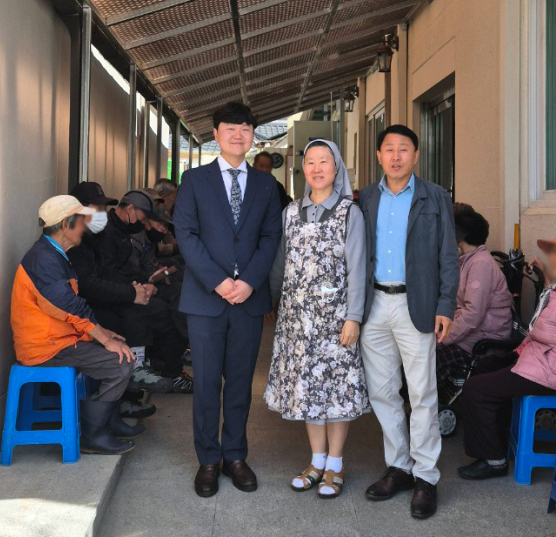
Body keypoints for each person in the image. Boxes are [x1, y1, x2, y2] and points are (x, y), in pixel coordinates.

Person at [174, 102, 282, 498]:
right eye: (230, 129)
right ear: (216, 134)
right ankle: (207, 458)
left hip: (249, 301)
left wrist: (250, 282)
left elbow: (271, 238)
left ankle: (235, 455)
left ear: (253, 136)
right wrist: (220, 281)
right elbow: (186, 234)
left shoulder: (267, 185)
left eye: (246, 129)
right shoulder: (194, 179)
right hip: (206, 300)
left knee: (239, 382)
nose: (239, 135)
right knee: (205, 382)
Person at [358, 125, 459, 519]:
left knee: (422, 395)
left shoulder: (434, 196)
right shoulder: (365, 197)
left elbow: (448, 255)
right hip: (375, 303)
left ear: (416, 156)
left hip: (417, 304)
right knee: (382, 392)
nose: (396, 156)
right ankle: (399, 467)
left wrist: (446, 305)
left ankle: (426, 477)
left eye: (404, 149)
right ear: (379, 156)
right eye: (389, 149)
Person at [458, 224, 556, 480]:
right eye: (555, 251)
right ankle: (499, 441)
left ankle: (494, 460)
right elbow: (548, 327)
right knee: (485, 366)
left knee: (477, 389)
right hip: (544, 360)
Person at [265, 139, 369, 499]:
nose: (317, 168)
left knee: (336, 391)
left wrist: (353, 317)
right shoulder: (290, 211)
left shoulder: (349, 212)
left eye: (325, 161)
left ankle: (336, 465)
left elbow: (357, 268)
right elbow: (281, 262)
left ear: (337, 167)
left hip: (336, 319)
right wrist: (272, 300)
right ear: (303, 169)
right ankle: (316, 461)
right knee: (309, 391)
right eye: (310, 162)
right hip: (298, 320)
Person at [10, 195, 143, 455]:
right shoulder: (44, 260)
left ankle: (109, 421)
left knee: (119, 346)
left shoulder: (53, 254)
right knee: (121, 362)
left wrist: (104, 334)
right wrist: (104, 339)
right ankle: (93, 435)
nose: (86, 226)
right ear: (66, 224)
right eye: (82, 221)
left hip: (59, 339)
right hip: (46, 347)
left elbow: (74, 306)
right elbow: (68, 307)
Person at [90, 189, 192, 393]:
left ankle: (169, 368)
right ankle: (143, 367)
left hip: (127, 287)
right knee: (158, 311)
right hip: (112, 295)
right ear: (129, 209)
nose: (143, 224)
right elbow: (106, 273)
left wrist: (142, 284)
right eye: (143, 218)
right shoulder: (108, 232)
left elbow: (126, 270)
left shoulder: (122, 231)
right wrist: (136, 289)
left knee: (171, 306)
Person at [436, 204, 513, 383]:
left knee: (428, 359)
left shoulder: (480, 265)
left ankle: (428, 405)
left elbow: (473, 315)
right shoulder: (466, 261)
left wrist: (443, 338)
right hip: (470, 332)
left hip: (484, 339)